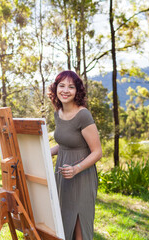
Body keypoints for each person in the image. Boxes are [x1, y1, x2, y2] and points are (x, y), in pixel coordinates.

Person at [48, 70, 102, 240]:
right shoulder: (58, 113)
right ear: (55, 88)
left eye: (71, 87)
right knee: (63, 224)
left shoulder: (83, 115)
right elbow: (65, 144)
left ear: (77, 91)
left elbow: (98, 152)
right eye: (61, 85)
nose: (65, 90)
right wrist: (45, 153)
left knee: (79, 228)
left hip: (81, 177)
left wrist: (76, 169)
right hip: (62, 175)